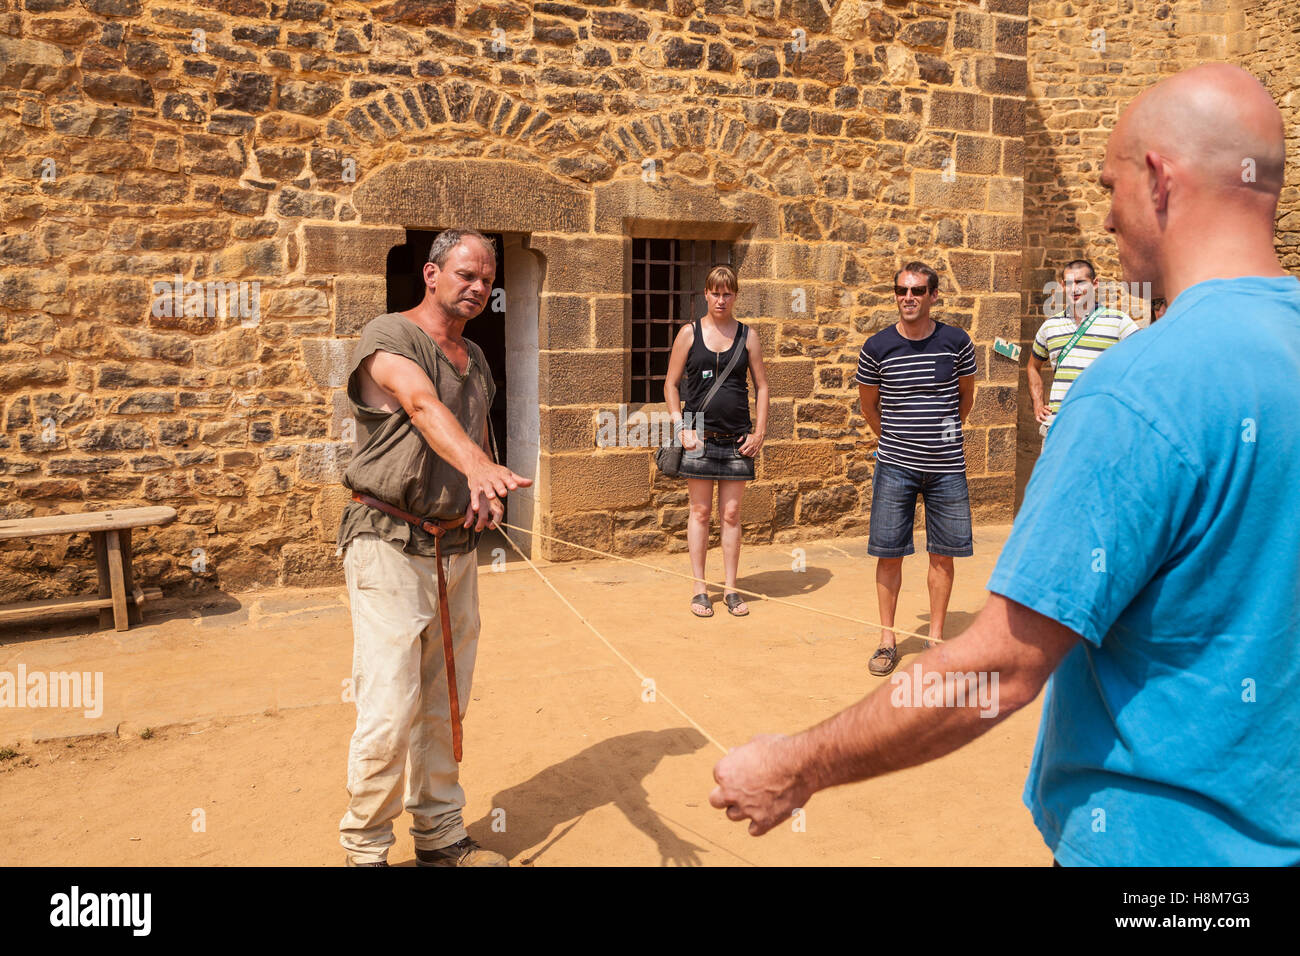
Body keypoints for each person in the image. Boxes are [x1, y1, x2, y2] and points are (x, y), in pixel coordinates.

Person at [709, 63, 1300, 865]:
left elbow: (995, 670)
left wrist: (795, 765)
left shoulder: (1136, 390)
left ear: (1159, 180)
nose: (1106, 213)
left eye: (1108, 185)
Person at [335, 229, 531, 867]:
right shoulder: (388, 338)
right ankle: (365, 850)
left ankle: (442, 838)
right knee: (390, 704)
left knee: (446, 701)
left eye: (488, 280)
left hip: (455, 549)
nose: (478, 288)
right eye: (466, 275)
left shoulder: (476, 357)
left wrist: (487, 488)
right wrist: (476, 465)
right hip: (387, 542)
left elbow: (471, 437)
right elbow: (419, 403)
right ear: (430, 272)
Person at [856, 261, 976, 676]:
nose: (908, 297)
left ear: (933, 296)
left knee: (943, 555)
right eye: (902, 290)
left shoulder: (957, 342)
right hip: (895, 466)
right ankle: (887, 640)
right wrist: (895, 439)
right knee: (889, 555)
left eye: (918, 291)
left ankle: (935, 640)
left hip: (947, 467)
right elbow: (869, 406)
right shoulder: (876, 347)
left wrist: (939, 437)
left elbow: (965, 399)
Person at [663, 264, 770, 618]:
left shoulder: (747, 336)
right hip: (699, 438)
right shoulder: (689, 334)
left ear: (735, 295)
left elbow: (763, 387)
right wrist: (681, 427)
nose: (721, 299)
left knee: (732, 514)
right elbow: (671, 384)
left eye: (727, 293)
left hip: (738, 438)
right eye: (715, 292)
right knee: (700, 511)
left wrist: (760, 432)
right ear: (705, 294)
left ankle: (731, 589)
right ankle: (699, 588)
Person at [1029, 259, 1140, 448]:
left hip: (1101, 431)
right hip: (1057, 429)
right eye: (1069, 283)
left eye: (1080, 282)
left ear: (1095, 284)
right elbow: (1032, 366)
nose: (1075, 289)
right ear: (1063, 286)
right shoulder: (1050, 326)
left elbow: (1144, 360)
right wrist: (1038, 402)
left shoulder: (1118, 321)